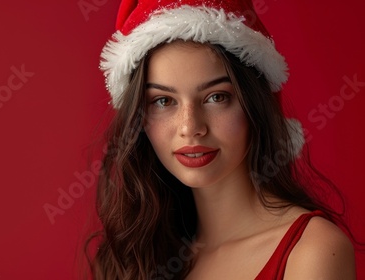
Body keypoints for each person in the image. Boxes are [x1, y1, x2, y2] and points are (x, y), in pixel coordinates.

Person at [85, 0, 356, 279]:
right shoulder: (137, 256)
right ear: (139, 117)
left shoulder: (310, 252)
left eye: (216, 97)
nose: (190, 127)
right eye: (163, 101)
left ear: (254, 105)